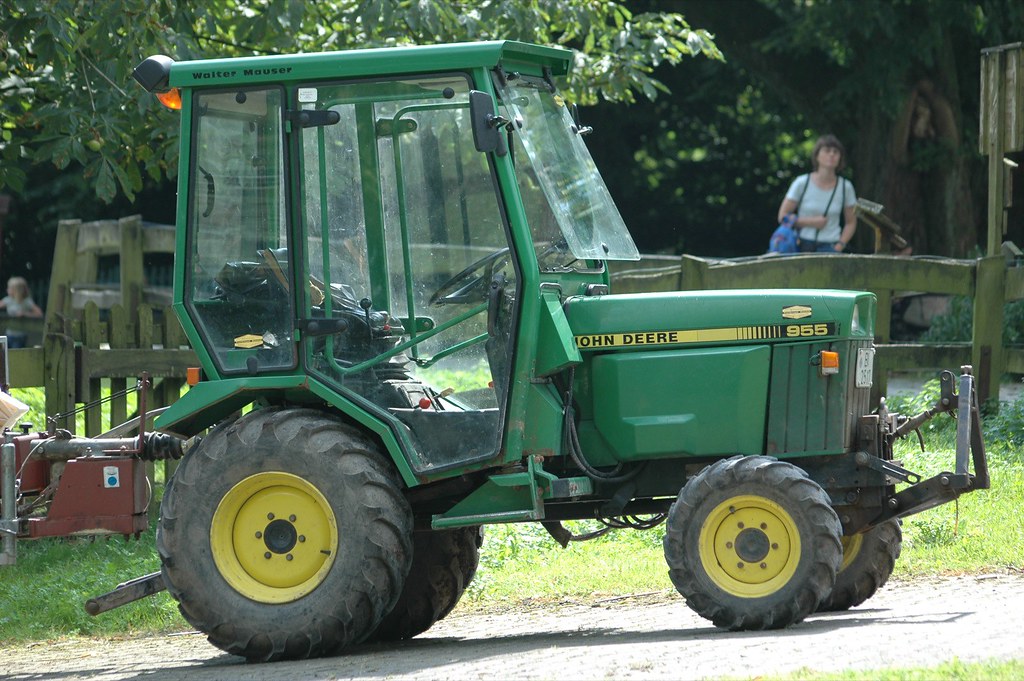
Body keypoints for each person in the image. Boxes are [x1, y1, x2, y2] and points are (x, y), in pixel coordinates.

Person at [777, 134, 858, 253]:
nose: (831, 155)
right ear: (817, 156)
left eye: (835, 152)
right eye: (827, 150)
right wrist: (812, 222)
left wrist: (840, 245)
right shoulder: (802, 183)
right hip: (801, 244)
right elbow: (782, 216)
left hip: (830, 246)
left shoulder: (845, 187)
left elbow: (851, 222)